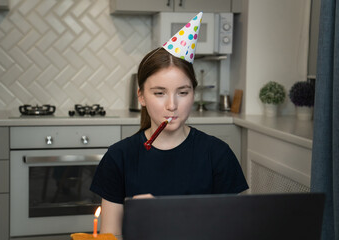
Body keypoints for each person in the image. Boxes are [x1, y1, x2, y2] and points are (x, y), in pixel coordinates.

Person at [90, 12, 248, 236]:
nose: (172, 105)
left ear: (193, 93)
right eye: (159, 93)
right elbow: (111, 235)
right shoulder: (119, 158)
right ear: (142, 97)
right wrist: (136, 218)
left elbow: (238, 231)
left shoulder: (218, 155)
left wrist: (166, 216)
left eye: (182, 92)